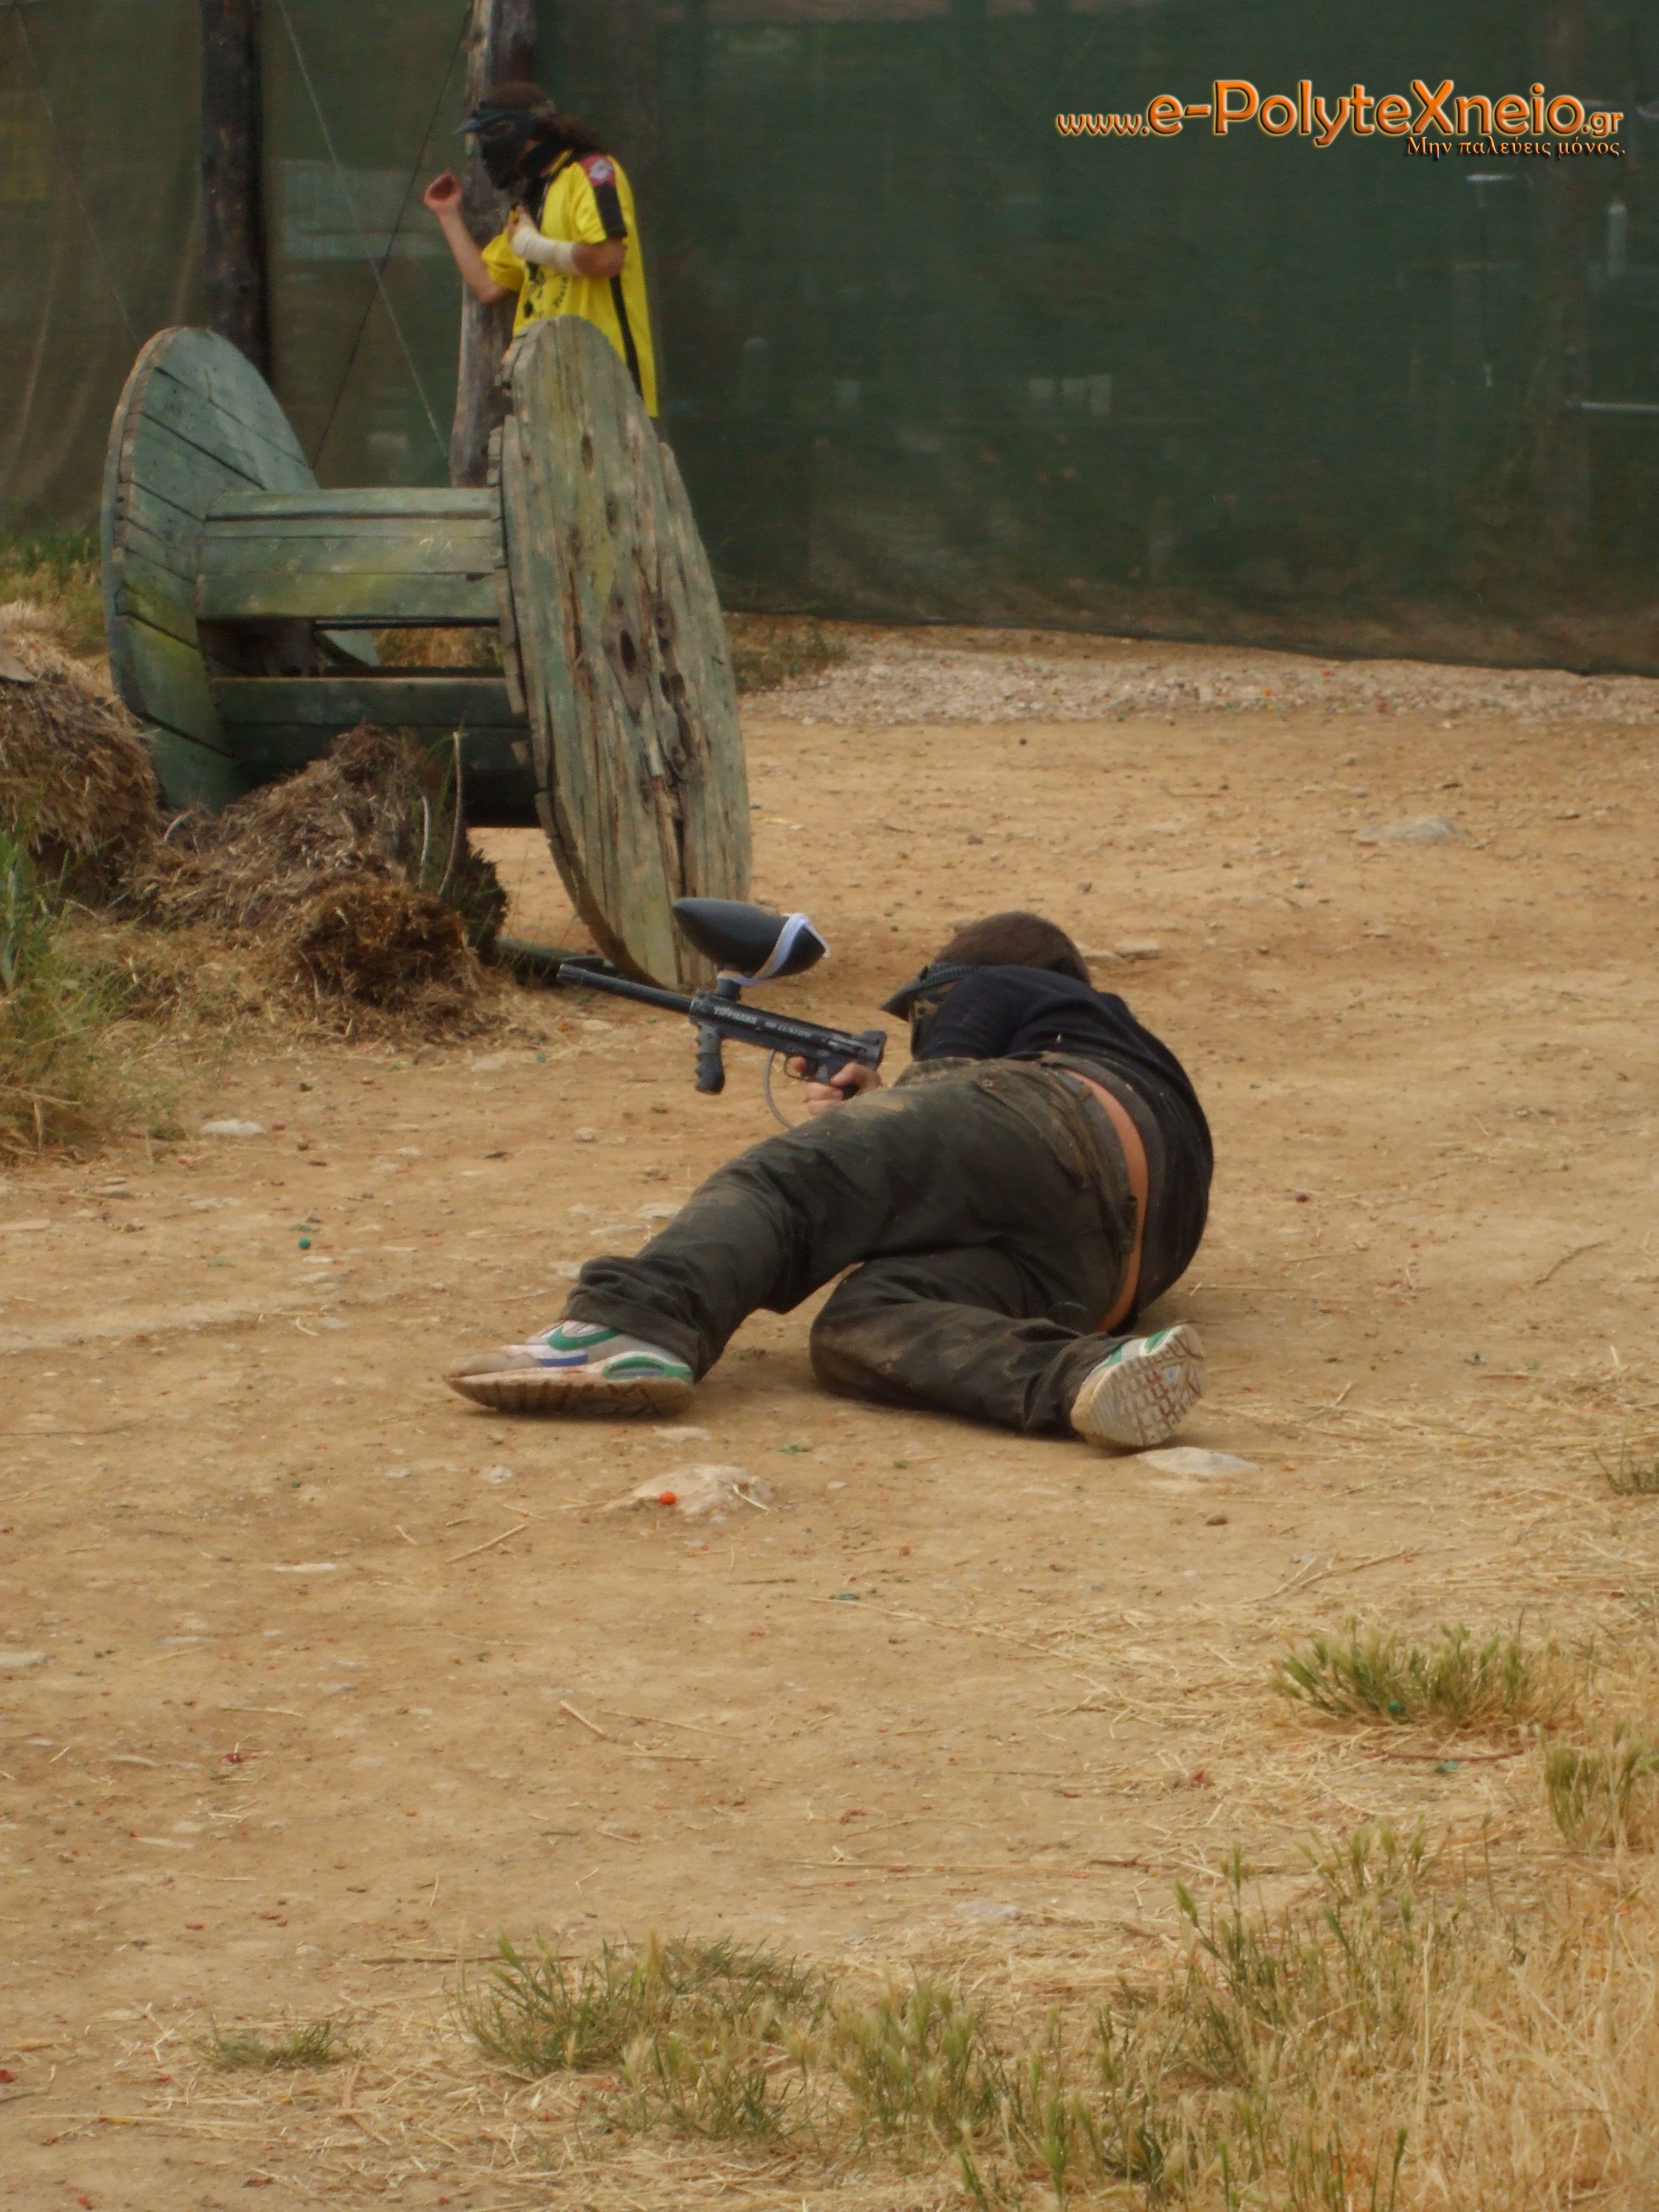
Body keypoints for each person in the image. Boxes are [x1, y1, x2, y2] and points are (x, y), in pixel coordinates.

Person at [448, 912, 1214, 1450]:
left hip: (1052, 1118)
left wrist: (884, 1113)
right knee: (861, 1325)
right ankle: (1084, 1376)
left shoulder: (996, 985)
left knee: (791, 1184)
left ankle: (634, 1321)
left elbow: (962, 1097)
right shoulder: (1146, 1058)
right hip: (1114, 1271)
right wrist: (884, 1109)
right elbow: (986, 1155)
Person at [422, 80, 658, 416]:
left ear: (514, 131)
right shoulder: (532, 201)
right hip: (546, 389)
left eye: (488, 138)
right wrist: (447, 215)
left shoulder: (590, 172)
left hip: (604, 383)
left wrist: (533, 246)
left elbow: (608, 259)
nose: (487, 151)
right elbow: (487, 285)